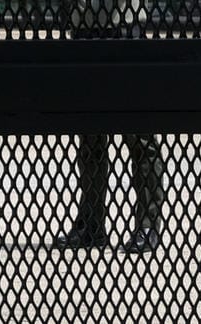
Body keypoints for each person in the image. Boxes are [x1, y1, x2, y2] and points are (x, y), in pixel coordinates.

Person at [51, 0, 164, 254]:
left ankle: (147, 225)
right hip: (85, 29)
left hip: (122, 27)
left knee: (139, 136)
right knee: (91, 137)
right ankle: (91, 224)